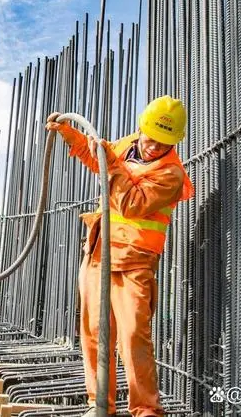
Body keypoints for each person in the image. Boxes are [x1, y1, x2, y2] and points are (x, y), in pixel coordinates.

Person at [46, 96, 195, 417]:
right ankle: (99, 406)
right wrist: (71, 135)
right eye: (150, 137)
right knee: (94, 335)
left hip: (135, 262)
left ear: (175, 141)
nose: (154, 146)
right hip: (99, 253)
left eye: (163, 142)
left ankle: (146, 411)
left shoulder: (171, 175)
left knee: (132, 338)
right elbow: (97, 156)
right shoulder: (126, 146)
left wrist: (110, 162)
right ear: (141, 127)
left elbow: (131, 203)